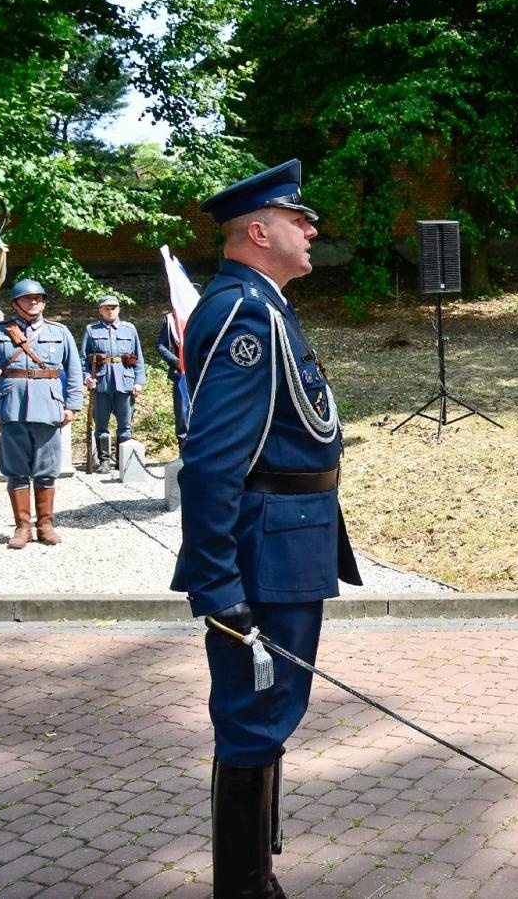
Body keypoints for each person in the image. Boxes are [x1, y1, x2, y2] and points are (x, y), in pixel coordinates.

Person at [171, 159, 363, 896]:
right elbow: (215, 461)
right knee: (255, 716)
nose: (311, 228)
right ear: (258, 231)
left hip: (292, 534)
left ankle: (258, 875)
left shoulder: (268, 304)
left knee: (273, 710)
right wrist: (217, 582)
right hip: (264, 546)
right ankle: (244, 888)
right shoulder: (245, 311)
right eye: (297, 219)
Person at [0, 278, 83, 548]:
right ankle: (22, 527)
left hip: (48, 405)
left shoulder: (60, 332)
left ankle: (45, 524)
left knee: (47, 469)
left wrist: (72, 404)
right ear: (15, 303)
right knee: (16, 470)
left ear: (44, 302)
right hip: (12, 406)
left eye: (39, 298)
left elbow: (73, 371)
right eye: (28, 298)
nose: (34, 302)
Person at [81, 295, 147, 469]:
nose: (110, 311)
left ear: (119, 309)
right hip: (101, 384)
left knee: (125, 425)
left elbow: (138, 358)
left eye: (114, 308)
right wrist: (86, 377)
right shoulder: (91, 330)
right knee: (101, 425)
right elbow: (83, 359)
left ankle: (122, 460)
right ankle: (104, 461)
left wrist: (139, 381)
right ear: (100, 310)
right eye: (106, 308)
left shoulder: (129, 329)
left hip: (125, 384)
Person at [157, 288, 198, 446]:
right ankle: (183, 448)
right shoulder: (172, 321)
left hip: (202, 372)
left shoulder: (206, 317)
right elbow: (161, 345)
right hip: (180, 373)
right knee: (182, 413)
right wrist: (176, 360)